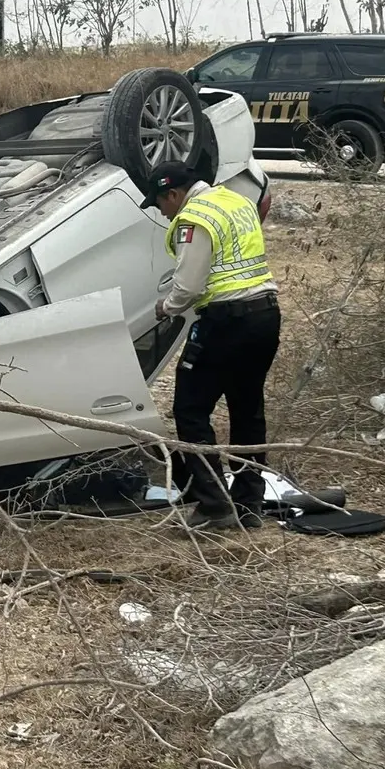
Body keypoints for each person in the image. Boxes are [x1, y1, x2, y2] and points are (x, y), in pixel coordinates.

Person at [140, 160, 280, 531]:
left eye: (159, 203)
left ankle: (214, 504)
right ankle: (249, 504)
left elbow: (189, 286)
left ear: (173, 193)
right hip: (265, 315)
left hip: (225, 321)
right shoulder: (235, 201)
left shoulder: (194, 217)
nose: (161, 211)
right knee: (247, 409)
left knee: (190, 409)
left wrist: (165, 307)